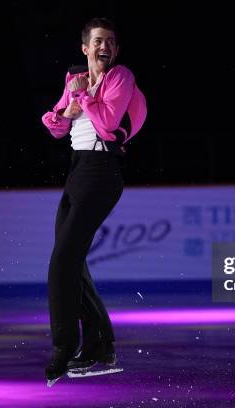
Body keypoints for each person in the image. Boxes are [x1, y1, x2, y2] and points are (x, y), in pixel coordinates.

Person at [40, 17, 147, 385]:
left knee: (63, 261)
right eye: (99, 41)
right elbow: (56, 127)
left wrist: (82, 97)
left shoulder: (120, 77)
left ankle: (63, 347)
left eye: (112, 42)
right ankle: (100, 343)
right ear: (85, 48)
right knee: (71, 261)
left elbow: (106, 123)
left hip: (101, 171)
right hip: (76, 170)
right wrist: (64, 112)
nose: (106, 47)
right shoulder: (74, 80)